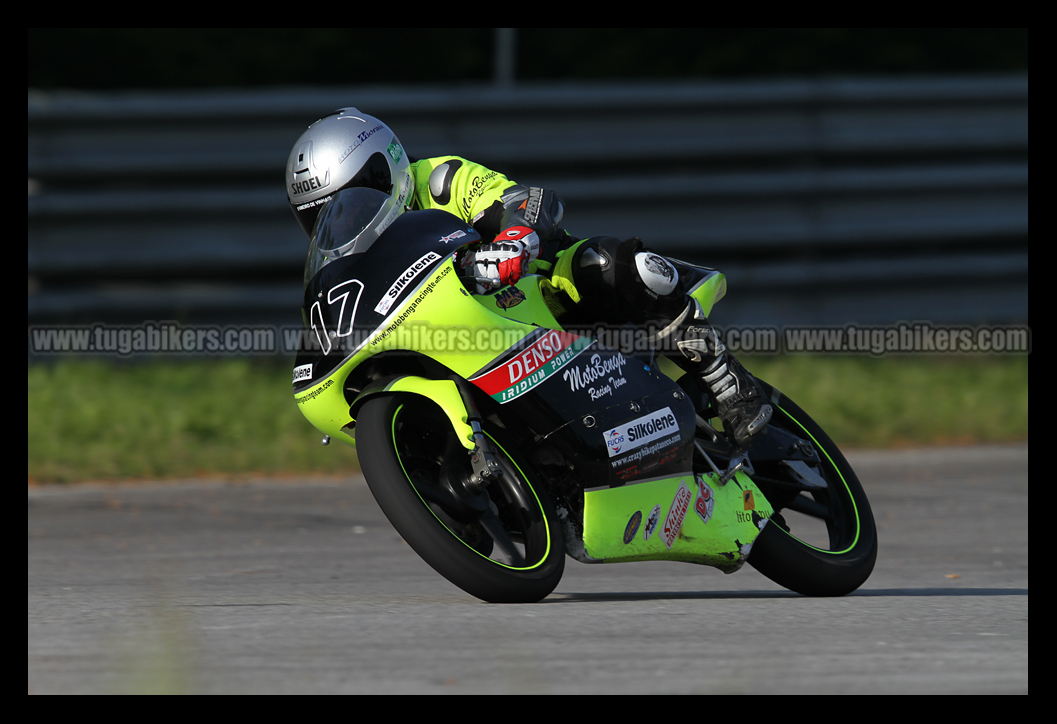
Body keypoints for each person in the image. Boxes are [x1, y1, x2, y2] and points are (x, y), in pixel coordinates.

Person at [286, 108, 771, 451]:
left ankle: (725, 380)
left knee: (610, 263)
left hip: (539, 294)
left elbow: (531, 202)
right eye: (323, 216)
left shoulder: (439, 180)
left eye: (354, 199)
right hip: (467, 340)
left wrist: (513, 244)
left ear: (384, 170)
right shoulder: (351, 261)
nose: (347, 219)